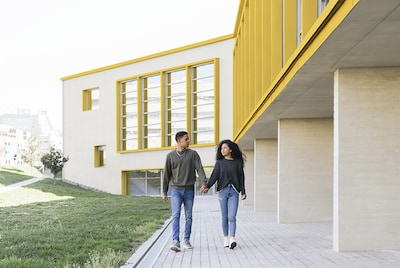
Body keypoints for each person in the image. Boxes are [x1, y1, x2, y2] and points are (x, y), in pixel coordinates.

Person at [163, 131, 208, 252]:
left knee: (189, 216)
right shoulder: (170, 156)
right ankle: (175, 241)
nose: (188, 141)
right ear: (179, 141)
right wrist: (164, 192)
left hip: (189, 190)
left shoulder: (193, 154)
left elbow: (200, 169)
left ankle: (186, 239)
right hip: (176, 190)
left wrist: (204, 182)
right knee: (176, 215)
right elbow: (166, 175)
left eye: (188, 139)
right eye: (186, 139)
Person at [200, 139, 246, 249]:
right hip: (223, 192)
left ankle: (232, 238)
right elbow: (214, 176)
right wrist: (207, 186)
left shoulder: (238, 162)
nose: (222, 150)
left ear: (230, 149)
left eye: (225, 148)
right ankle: (225, 238)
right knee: (224, 216)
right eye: (221, 148)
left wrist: (243, 192)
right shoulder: (219, 163)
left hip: (234, 191)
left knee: (232, 216)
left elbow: (241, 177)